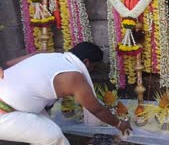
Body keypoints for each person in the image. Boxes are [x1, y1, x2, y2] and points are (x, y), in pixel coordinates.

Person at [0, 42, 132, 145]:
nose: (92, 71)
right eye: (94, 67)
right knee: (52, 136)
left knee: (46, 127)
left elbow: (7, 64)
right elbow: (96, 109)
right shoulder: (73, 77)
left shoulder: (45, 55)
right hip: (5, 113)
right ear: (86, 62)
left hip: (15, 105)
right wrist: (120, 124)